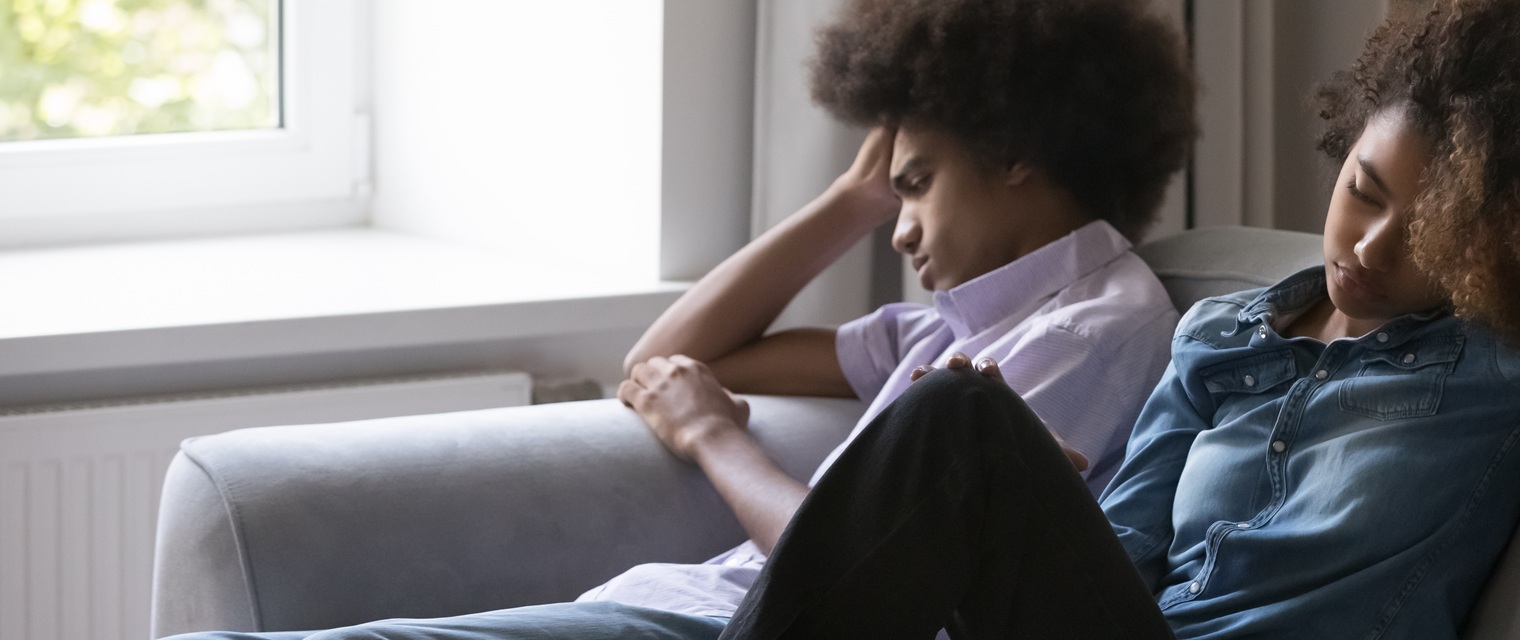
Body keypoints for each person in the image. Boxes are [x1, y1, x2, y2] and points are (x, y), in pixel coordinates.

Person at [701, 0, 1520, 638]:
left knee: (948, 416)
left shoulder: (1518, 356)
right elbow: (1132, 560)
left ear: (1496, 243)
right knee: (960, 420)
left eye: (1436, 232)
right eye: (1366, 192)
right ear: (1342, 150)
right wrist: (1040, 497)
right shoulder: (1221, 338)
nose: (1369, 252)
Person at [163, 0, 1196, 639]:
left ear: (1019, 152)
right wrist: (850, 197)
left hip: (724, 622)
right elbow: (666, 359)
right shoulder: (939, 330)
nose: (902, 229)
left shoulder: (1095, 323)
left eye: (917, 187)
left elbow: (871, 569)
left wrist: (714, 438)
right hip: (683, 603)